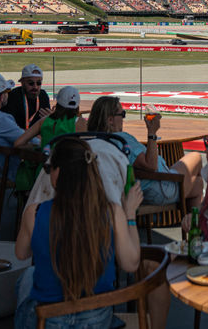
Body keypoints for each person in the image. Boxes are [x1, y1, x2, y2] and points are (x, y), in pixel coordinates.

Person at [15, 137, 146, 329]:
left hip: (49, 320)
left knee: (27, 276)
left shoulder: (34, 212)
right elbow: (131, 263)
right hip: (98, 320)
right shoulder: (112, 211)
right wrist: (130, 214)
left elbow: (21, 253)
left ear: (58, 173)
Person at [86, 96, 204, 206]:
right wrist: (152, 132)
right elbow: (151, 165)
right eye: (122, 114)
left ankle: (191, 220)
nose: (123, 118)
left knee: (198, 184)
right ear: (110, 120)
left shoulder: (94, 141)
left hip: (140, 187)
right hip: (159, 187)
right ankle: (194, 222)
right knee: (196, 157)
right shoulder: (121, 139)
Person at [0, 73, 45, 179]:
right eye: (7, 92)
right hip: (10, 169)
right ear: (2, 96)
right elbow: (30, 141)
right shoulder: (1, 119)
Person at [4, 63, 51, 130]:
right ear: (22, 82)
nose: (35, 87)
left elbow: (46, 123)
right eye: (31, 83)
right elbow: (9, 126)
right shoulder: (13, 96)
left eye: (39, 83)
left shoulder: (43, 95)